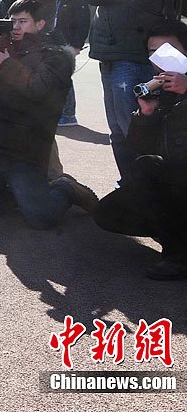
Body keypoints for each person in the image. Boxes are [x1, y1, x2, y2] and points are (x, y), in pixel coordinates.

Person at [75, 0, 180, 187]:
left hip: (127, 55)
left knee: (130, 133)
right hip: (125, 50)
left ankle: (144, 197)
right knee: (126, 132)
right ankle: (136, 193)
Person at [0, 0, 98, 229]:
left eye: (23, 21)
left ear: (40, 24)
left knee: (41, 217)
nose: (15, 27)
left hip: (24, 149)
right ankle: (22, 194)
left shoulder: (54, 56)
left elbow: (38, 92)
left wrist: (5, 63)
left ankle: (66, 188)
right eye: (12, 21)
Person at [93, 21, 187, 280]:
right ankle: (176, 234)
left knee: (151, 168)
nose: (159, 58)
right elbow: (140, 148)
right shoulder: (163, 89)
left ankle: (177, 255)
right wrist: (146, 114)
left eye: (168, 49)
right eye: (153, 52)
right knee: (108, 212)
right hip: (176, 186)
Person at [53, 0, 91, 127]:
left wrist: (76, 45)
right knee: (56, 78)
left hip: (68, 43)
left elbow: (83, 23)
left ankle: (69, 115)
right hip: (54, 42)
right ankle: (61, 112)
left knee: (64, 78)